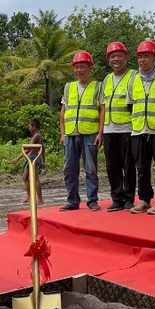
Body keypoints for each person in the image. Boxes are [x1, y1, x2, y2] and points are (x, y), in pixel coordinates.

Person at [127, 40, 155, 214]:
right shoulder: (133, 80)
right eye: (140, 57)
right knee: (142, 168)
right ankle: (144, 199)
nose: (143, 60)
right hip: (139, 130)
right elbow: (130, 105)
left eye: (147, 56)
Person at [59, 51, 104, 211]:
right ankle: (72, 201)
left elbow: (102, 111)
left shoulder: (97, 87)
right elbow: (63, 112)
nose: (79, 70)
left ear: (89, 67)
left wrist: (100, 133)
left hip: (90, 134)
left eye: (82, 67)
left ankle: (92, 200)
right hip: (71, 134)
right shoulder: (68, 87)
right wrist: (62, 133)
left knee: (91, 169)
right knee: (69, 169)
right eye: (77, 67)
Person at [101, 41, 137, 212]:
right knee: (112, 166)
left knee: (129, 166)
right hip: (109, 129)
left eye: (119, 56)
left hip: (128, 128)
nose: (115, 59)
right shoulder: (107, 79)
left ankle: (129, 198)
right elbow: (103, 106)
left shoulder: (133, 76)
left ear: (126, 57)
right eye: (112, 56)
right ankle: (117, 198)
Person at [12, 119, 44, 206]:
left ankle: (40, 199)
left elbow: (29, 148)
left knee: (36, 178)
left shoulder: (36, 136)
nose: (29, 128)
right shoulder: (38, 136)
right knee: (25, 177)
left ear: (34, 127)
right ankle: (29, 197)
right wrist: (43, 160)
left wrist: (17, 158)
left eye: (30, 126)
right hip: (31, 158)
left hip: (34, 159)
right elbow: (42, 149)